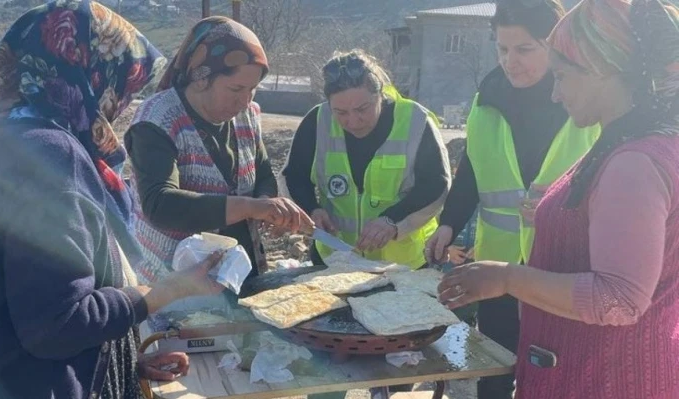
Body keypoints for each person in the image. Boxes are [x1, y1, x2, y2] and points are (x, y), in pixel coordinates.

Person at [0, 1, 230, 398]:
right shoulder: (52, 156)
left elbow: (15, 305)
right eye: (123, 85)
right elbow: (54, 325)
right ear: (93, 73)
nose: (120, 103)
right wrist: (161, 293)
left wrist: (125, 362)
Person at [439, 0, 679, 397]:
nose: (554, 94)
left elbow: (618, 298)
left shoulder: (634, 162)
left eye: (563, 76)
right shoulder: (638, 145)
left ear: (604, 72)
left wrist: (506, 277)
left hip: (606, 379)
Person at [424, 1, 600, 397]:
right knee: (495, 363)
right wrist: (449, 223)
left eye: (524, 50)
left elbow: (608, 176)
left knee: (554, 367)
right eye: (502, 49)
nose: (510, 61)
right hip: (497, 262)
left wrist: (560, 207)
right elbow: (473, 167)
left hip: (563, 266)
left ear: (554, 45)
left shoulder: (583, 101)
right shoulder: (486, 97)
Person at [125, 16, 313, 284]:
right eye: (236, 88)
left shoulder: (246, 114)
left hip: (238, 273)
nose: (245, 100)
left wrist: (267, 205)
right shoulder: (157, 120)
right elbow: (160, 205)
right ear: (201, 78)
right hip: (174, 283)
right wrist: (249, 207)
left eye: (253, 89)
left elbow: (262, 175)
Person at [283, 49, 451, 270]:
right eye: (340, 112)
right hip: (336, 261)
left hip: (401, 266)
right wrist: (311, 209)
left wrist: (393, 220)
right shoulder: (317, 121)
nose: (353, 121)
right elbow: (293, 176)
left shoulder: (415, 122)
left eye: (362, 109)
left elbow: (436, 184)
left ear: (379, 94)